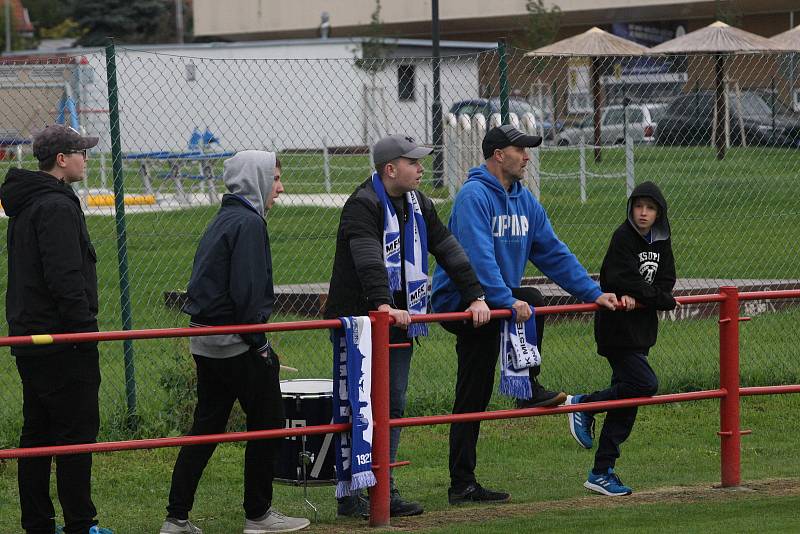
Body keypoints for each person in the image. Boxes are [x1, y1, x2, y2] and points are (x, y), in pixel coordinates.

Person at [431, 125, 618, 505]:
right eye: (521, 150)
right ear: (499, 154)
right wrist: (505, 300)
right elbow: (477, 259)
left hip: (496, 305)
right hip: (462, 302)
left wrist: (594, 293)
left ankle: (464, 481)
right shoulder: (473, 197)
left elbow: (553, 253)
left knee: (475, 390)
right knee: (527, 304)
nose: (527, 157)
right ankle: (525, 391)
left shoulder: (525, 200)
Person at [325, 134, 490, 518]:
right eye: (413, 163)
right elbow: (368, 260)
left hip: (398, 323)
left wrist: (476, 295)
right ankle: (352, 494)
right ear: (390, 169)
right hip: (360, 324)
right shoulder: (361, 205)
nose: (420, 169)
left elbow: (448, 248)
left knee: (393, 404)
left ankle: (384, 485)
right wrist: (383, 305)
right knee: (359, 406)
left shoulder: (418, 203)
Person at [159, 151, 309, 534]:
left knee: (205, 429)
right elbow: (246, 294)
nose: (280, 187)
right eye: (274, 178)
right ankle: (258, 515)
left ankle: (176, 518)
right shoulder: (248, 223)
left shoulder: (224, 218)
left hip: (207, 343)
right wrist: (261, 346)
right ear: (255, 179)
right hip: (234, 345)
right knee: (270, 423)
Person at [0, 125, 112, 534]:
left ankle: (38, 523)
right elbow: (65, 278)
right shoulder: (56, 206)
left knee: (38, 436)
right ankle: (81, 525)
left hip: (31, 338)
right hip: (63, 342)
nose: (85, 158)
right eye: (79, 152)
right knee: (73, 437)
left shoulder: (28, 202)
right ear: (61, 160)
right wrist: (84, 335)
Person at [566, 181, 678, 497]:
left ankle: (602, 471)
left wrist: (650, 297)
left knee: (626, 403)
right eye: (638, 206)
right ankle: (584, 405)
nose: (643, 213)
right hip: (616, 330)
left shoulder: (662, 240)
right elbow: (618, 278)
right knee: (645, 385)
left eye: (650, 208)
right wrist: (654, 297)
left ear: (659, 212)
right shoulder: (623, 237)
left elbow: (667, 280)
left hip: (641, 332)